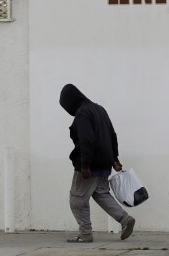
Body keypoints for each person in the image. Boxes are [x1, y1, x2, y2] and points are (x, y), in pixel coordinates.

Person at [59, 83, 135, 243]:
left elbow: (86, 140)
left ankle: (85, 234)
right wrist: (114, 159)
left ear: (70, 101)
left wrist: (85, 165)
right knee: (101, 193)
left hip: (89, 164)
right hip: (104, 163)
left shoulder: (82, 113)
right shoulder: (99, 109)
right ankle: (124, 219)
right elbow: (112, 134)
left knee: (77, 199)